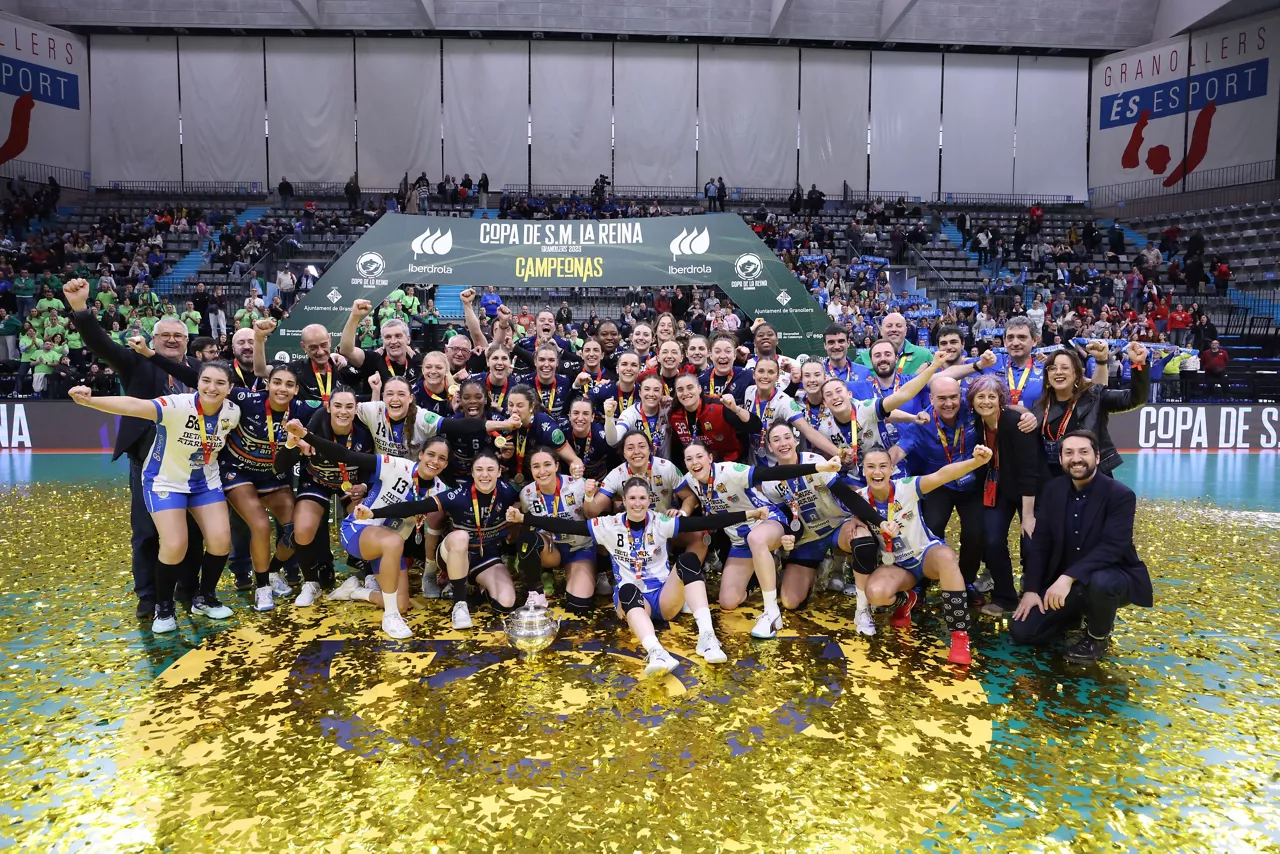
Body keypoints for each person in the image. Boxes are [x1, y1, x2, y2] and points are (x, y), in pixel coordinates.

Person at [511, 479, 768, 676]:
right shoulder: (609, 524)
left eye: (642, 498)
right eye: (632, 498)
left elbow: (703, 521)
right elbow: (568, 526)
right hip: (633, 602)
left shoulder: (660, 521)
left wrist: (749, 514)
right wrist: (525, 518)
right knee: (626, 589)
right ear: (624, 500)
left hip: (664, 598)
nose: (637, 503)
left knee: (689, 561)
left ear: (649, 500)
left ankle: (707, 638)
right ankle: (656, 653)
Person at [62, 277, 206, 618]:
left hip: (192, 467)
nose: (172, 340)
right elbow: (101, 345)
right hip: (148, 464)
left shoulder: (200, 372)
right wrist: (81, 309)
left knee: (192, 534)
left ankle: (189, 589)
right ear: (153, 339)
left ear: (187, 342)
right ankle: (148, 596)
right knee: (145, 533)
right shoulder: (136, 362)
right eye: (165, 335)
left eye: (178, 336)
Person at [66, 363, 239, 632]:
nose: (211, 387)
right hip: (165, 480)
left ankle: (204, 598)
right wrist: (90, 401)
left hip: (205, 482)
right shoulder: (177, 405)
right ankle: (164, 607)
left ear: (229, 388)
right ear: (198, 383)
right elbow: (133, 406)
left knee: (220, 541)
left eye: (219, 383)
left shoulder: (232, 413)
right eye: (206, 380)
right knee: (175, 544)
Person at [1012, 430, 1153, 662]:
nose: (1076, 458)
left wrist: (1067, 577)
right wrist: (1031, 590)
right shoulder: (1053, 490)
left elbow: (1113, 547)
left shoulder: (1120, 495)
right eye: (1068, 453)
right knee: (1022, 631)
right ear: (1061, 460)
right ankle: (1071, 616)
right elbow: (1040, 543)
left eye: (1083, 452)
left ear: (1097, 457)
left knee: (1101, 582)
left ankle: (1098, 636)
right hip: (1066, 585)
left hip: (1112, 576)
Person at [676, 444, 842, 639]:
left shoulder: (729, 471)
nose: (695, 462)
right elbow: (690, 499)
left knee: (756, 538)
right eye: (689, 459)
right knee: (728, 601)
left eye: (699, 457)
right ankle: (766, 567)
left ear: (710, 458)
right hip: (739, 540)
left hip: (767, 522)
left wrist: (817, 467)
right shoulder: (690, 480)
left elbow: (770, 473)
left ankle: (771, 612)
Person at [854, 444, 995, 664]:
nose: (877, 472)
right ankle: (907, 599)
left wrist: (976, 462)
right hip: (896, 566)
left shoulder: (907, 487)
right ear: (863, 470)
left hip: (925, 556)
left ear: (892, 468)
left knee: (947, 557)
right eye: (870, 467)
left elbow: (942, 475)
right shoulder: (859, 499)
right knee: (876, 593)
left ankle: (959, 636)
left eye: (883, 466)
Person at [968, 375, 1047, 616]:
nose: (986, 402)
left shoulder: (1017, 423)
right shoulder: (975, 423)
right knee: (991, 539)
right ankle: (1005, 597)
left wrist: (1028, 514)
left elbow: (1029, 470)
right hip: (998, 488)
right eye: (980, 396)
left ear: (1000, 400)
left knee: (1031, 540)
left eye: (992, 396)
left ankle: (1037, 594)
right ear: (972, 401)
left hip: (1030, 490)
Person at [1037, 343, 1149, 478]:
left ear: (1077, 374)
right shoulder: (1039, 407)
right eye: (1052, 368)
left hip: (1093, 479)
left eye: (1065, 368)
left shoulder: (1094, 398)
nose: (1058, 372)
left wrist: (1139, 364)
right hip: (1053, 480)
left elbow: (1135, 399)